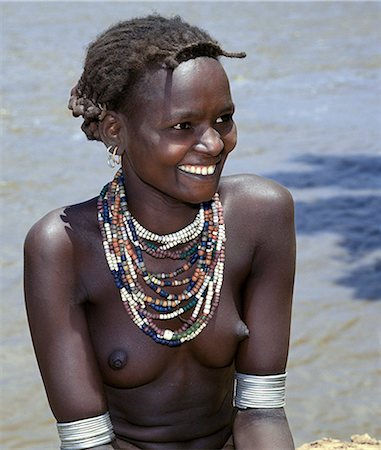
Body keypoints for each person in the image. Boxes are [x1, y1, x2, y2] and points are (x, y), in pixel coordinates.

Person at [24, 14, 296, 450]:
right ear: (116, 129)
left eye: (223, 118)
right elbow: (87, 442)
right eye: (182, 127)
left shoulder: (261, 216)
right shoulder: (63, 246)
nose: (213, 144)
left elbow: (261, 410)